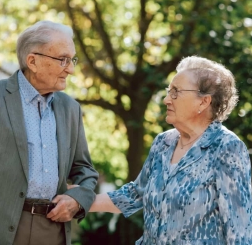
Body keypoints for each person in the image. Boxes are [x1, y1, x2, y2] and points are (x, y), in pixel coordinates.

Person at [86, 56, 252, 244]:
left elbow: (239, 230)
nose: (166, 100)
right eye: (168, 92)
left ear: (203, 102)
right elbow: (135, 195)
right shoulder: (163, 142)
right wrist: (80, 200)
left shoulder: (227, 147)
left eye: (175, 92)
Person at [0, 20, 98, 245]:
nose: (71, 69)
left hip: (53, 231)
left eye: (72, 59)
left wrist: (77, 200)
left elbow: (85, 170)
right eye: (63, 59)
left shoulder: (70, 108)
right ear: (33, 61)